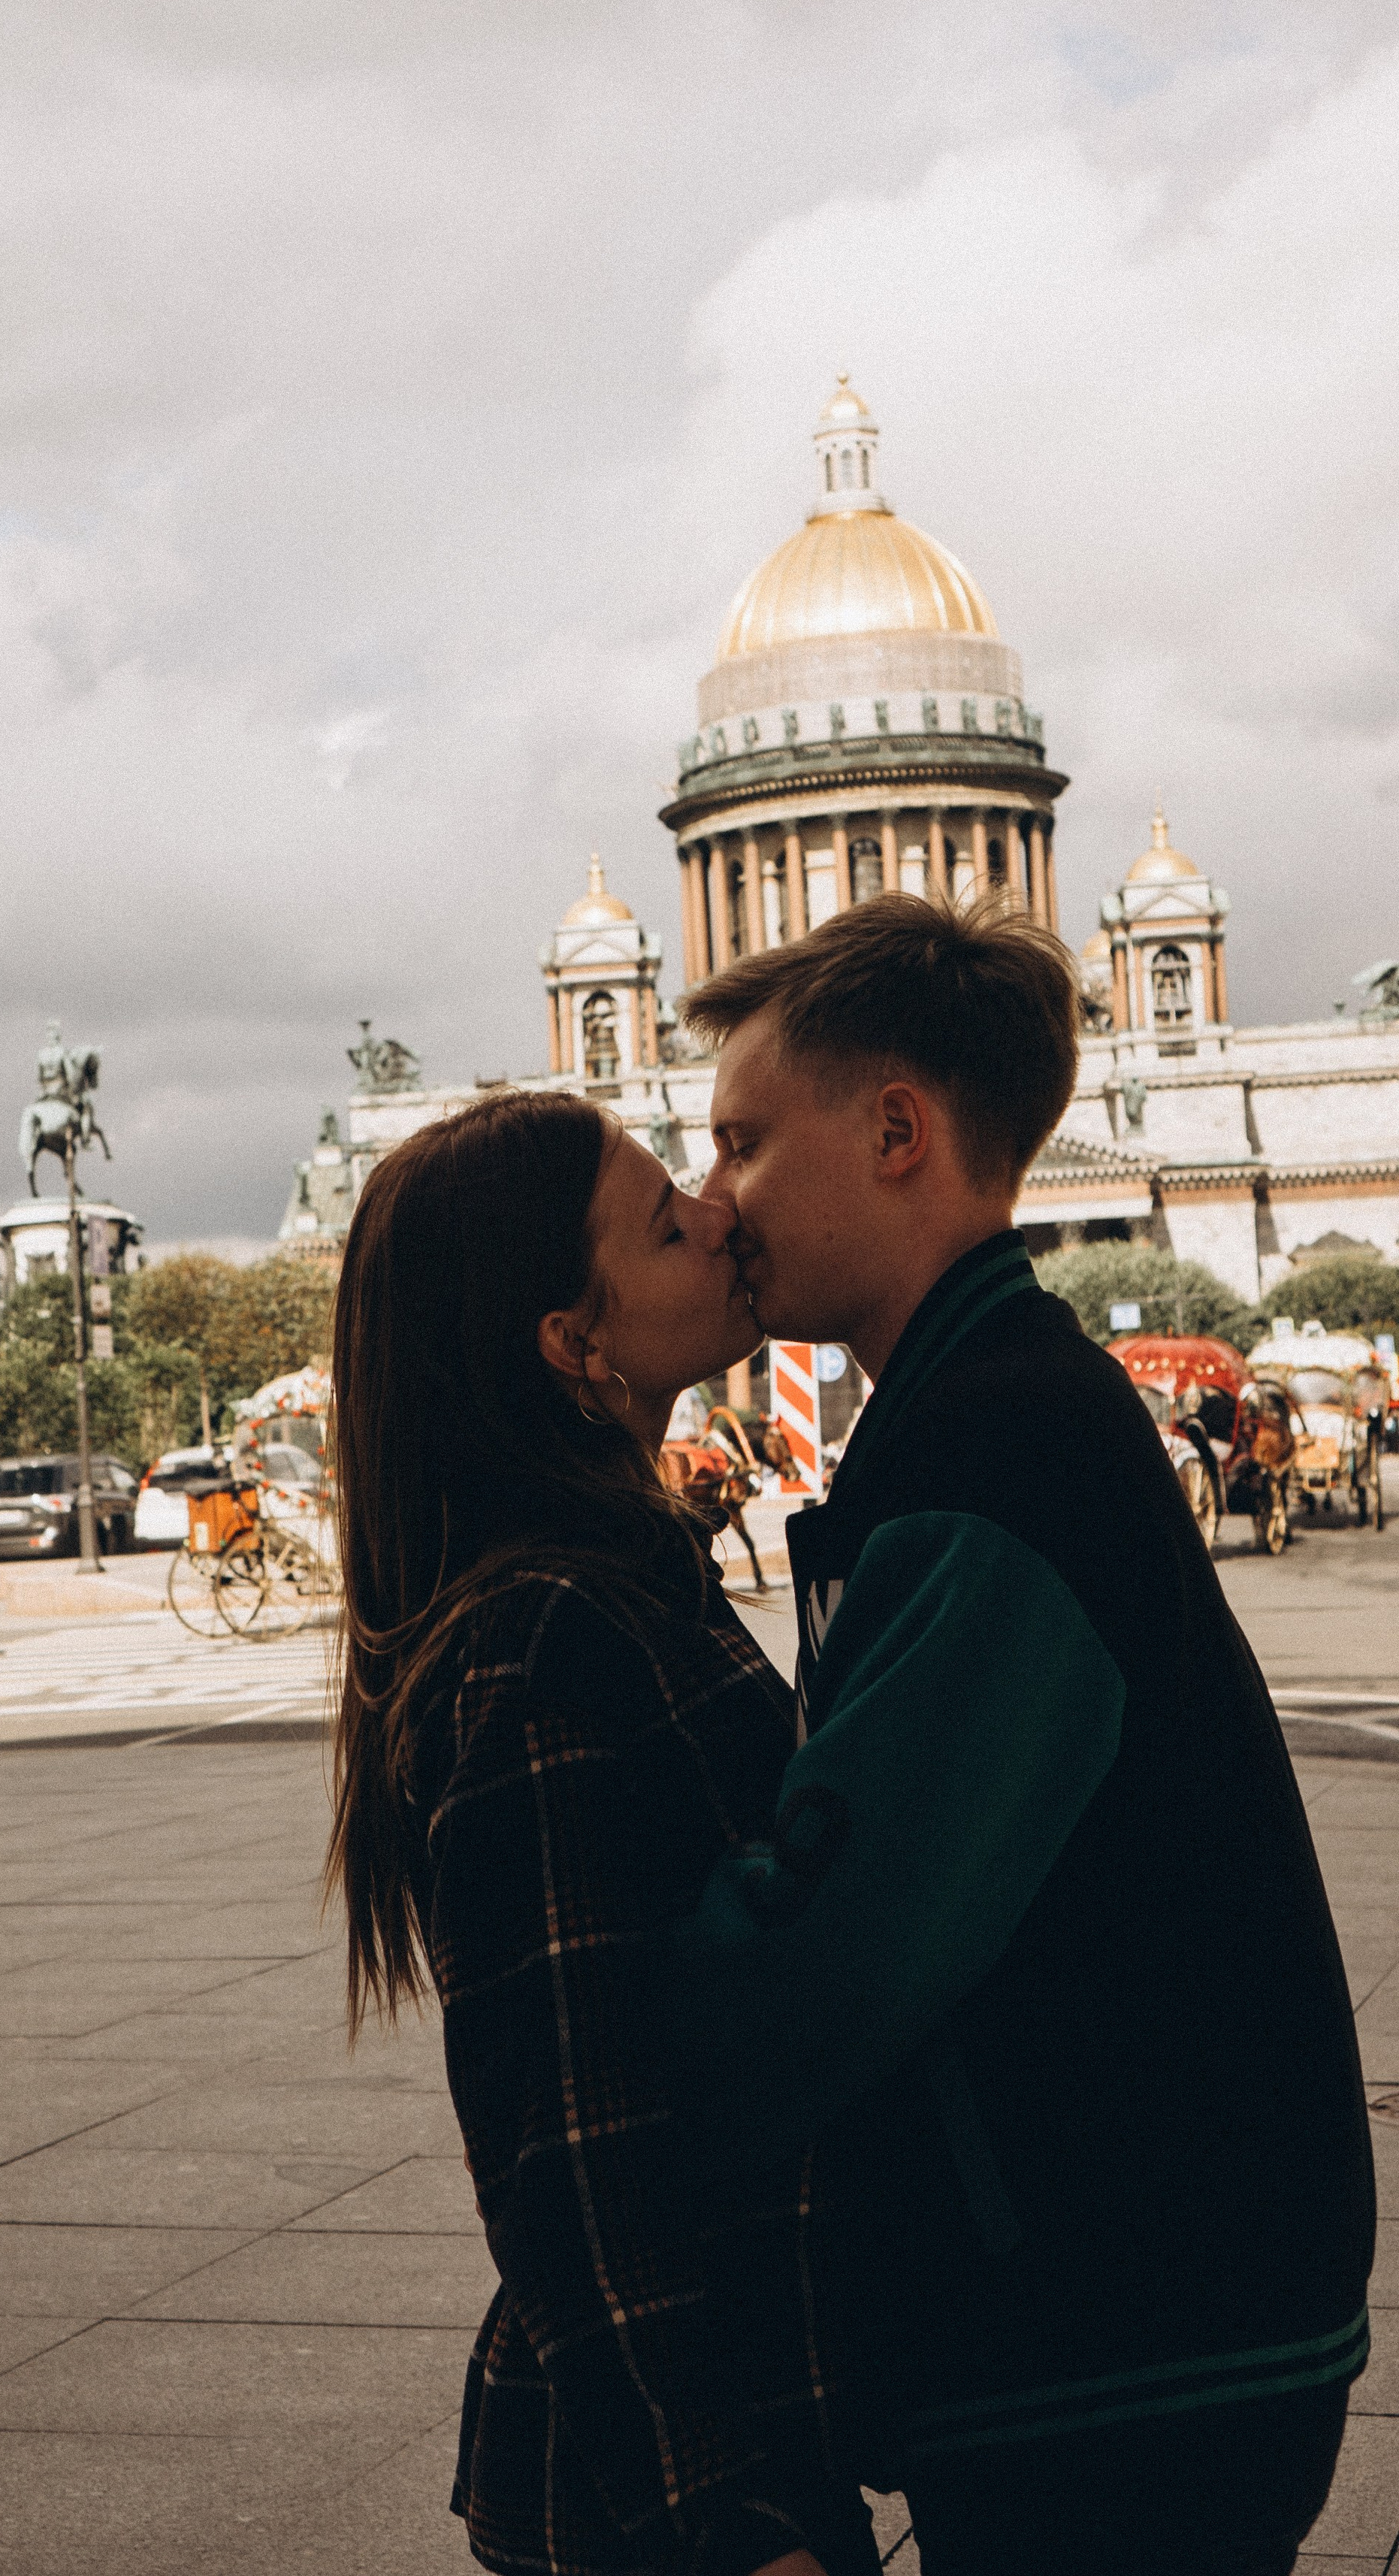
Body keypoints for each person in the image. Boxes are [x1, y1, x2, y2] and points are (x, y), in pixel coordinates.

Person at [678, 890, 1371, 2576]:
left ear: (897, 1129)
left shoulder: (989, 1459)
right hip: (1148, 2292)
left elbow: (830, 1958)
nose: (712, 1203)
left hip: (1121, 2326)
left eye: (746, 1143)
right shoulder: (996, 1411)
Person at [328, 1090, 881, 2576]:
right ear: (573, 1343)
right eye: (663, 1221)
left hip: (708, 2439)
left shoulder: (613, 1574)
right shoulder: (546, 1631)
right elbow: (565, 2136)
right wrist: (725, 2515)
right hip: (672, 2489)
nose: (720, 1211)